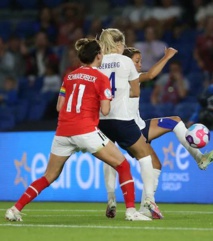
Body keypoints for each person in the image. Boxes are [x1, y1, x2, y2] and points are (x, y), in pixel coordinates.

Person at [4, 38, 151, 222]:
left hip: (63, 132)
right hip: (86, 130)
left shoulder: (69, 76)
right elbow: (105, 110)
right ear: (99, 56)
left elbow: (59, 106)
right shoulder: (101, 78)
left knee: (49, 176)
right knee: (122, 165)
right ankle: (131, 212)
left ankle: (15, 209)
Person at [103, 46, 213, 219]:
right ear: (126, 62)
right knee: (148, 161)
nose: (140, 64)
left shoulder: (115, 78)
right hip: (131, 129)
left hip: (136, 125)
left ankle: (134, 203)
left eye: (141, 61)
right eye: (137, 61)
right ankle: (144, 204)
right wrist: (167, 57)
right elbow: (150, 75)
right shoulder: (129, 77)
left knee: (173, 127)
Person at [97, 28, 161, 219]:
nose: (124, 47)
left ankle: (111, 199)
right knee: (145, 157)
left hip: (102, 120)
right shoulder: (125, 61)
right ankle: (149, 201)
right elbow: (136, 91)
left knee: (111, 158)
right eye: (123, 43)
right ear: (118, 44)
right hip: (122, 119)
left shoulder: (97, 62)